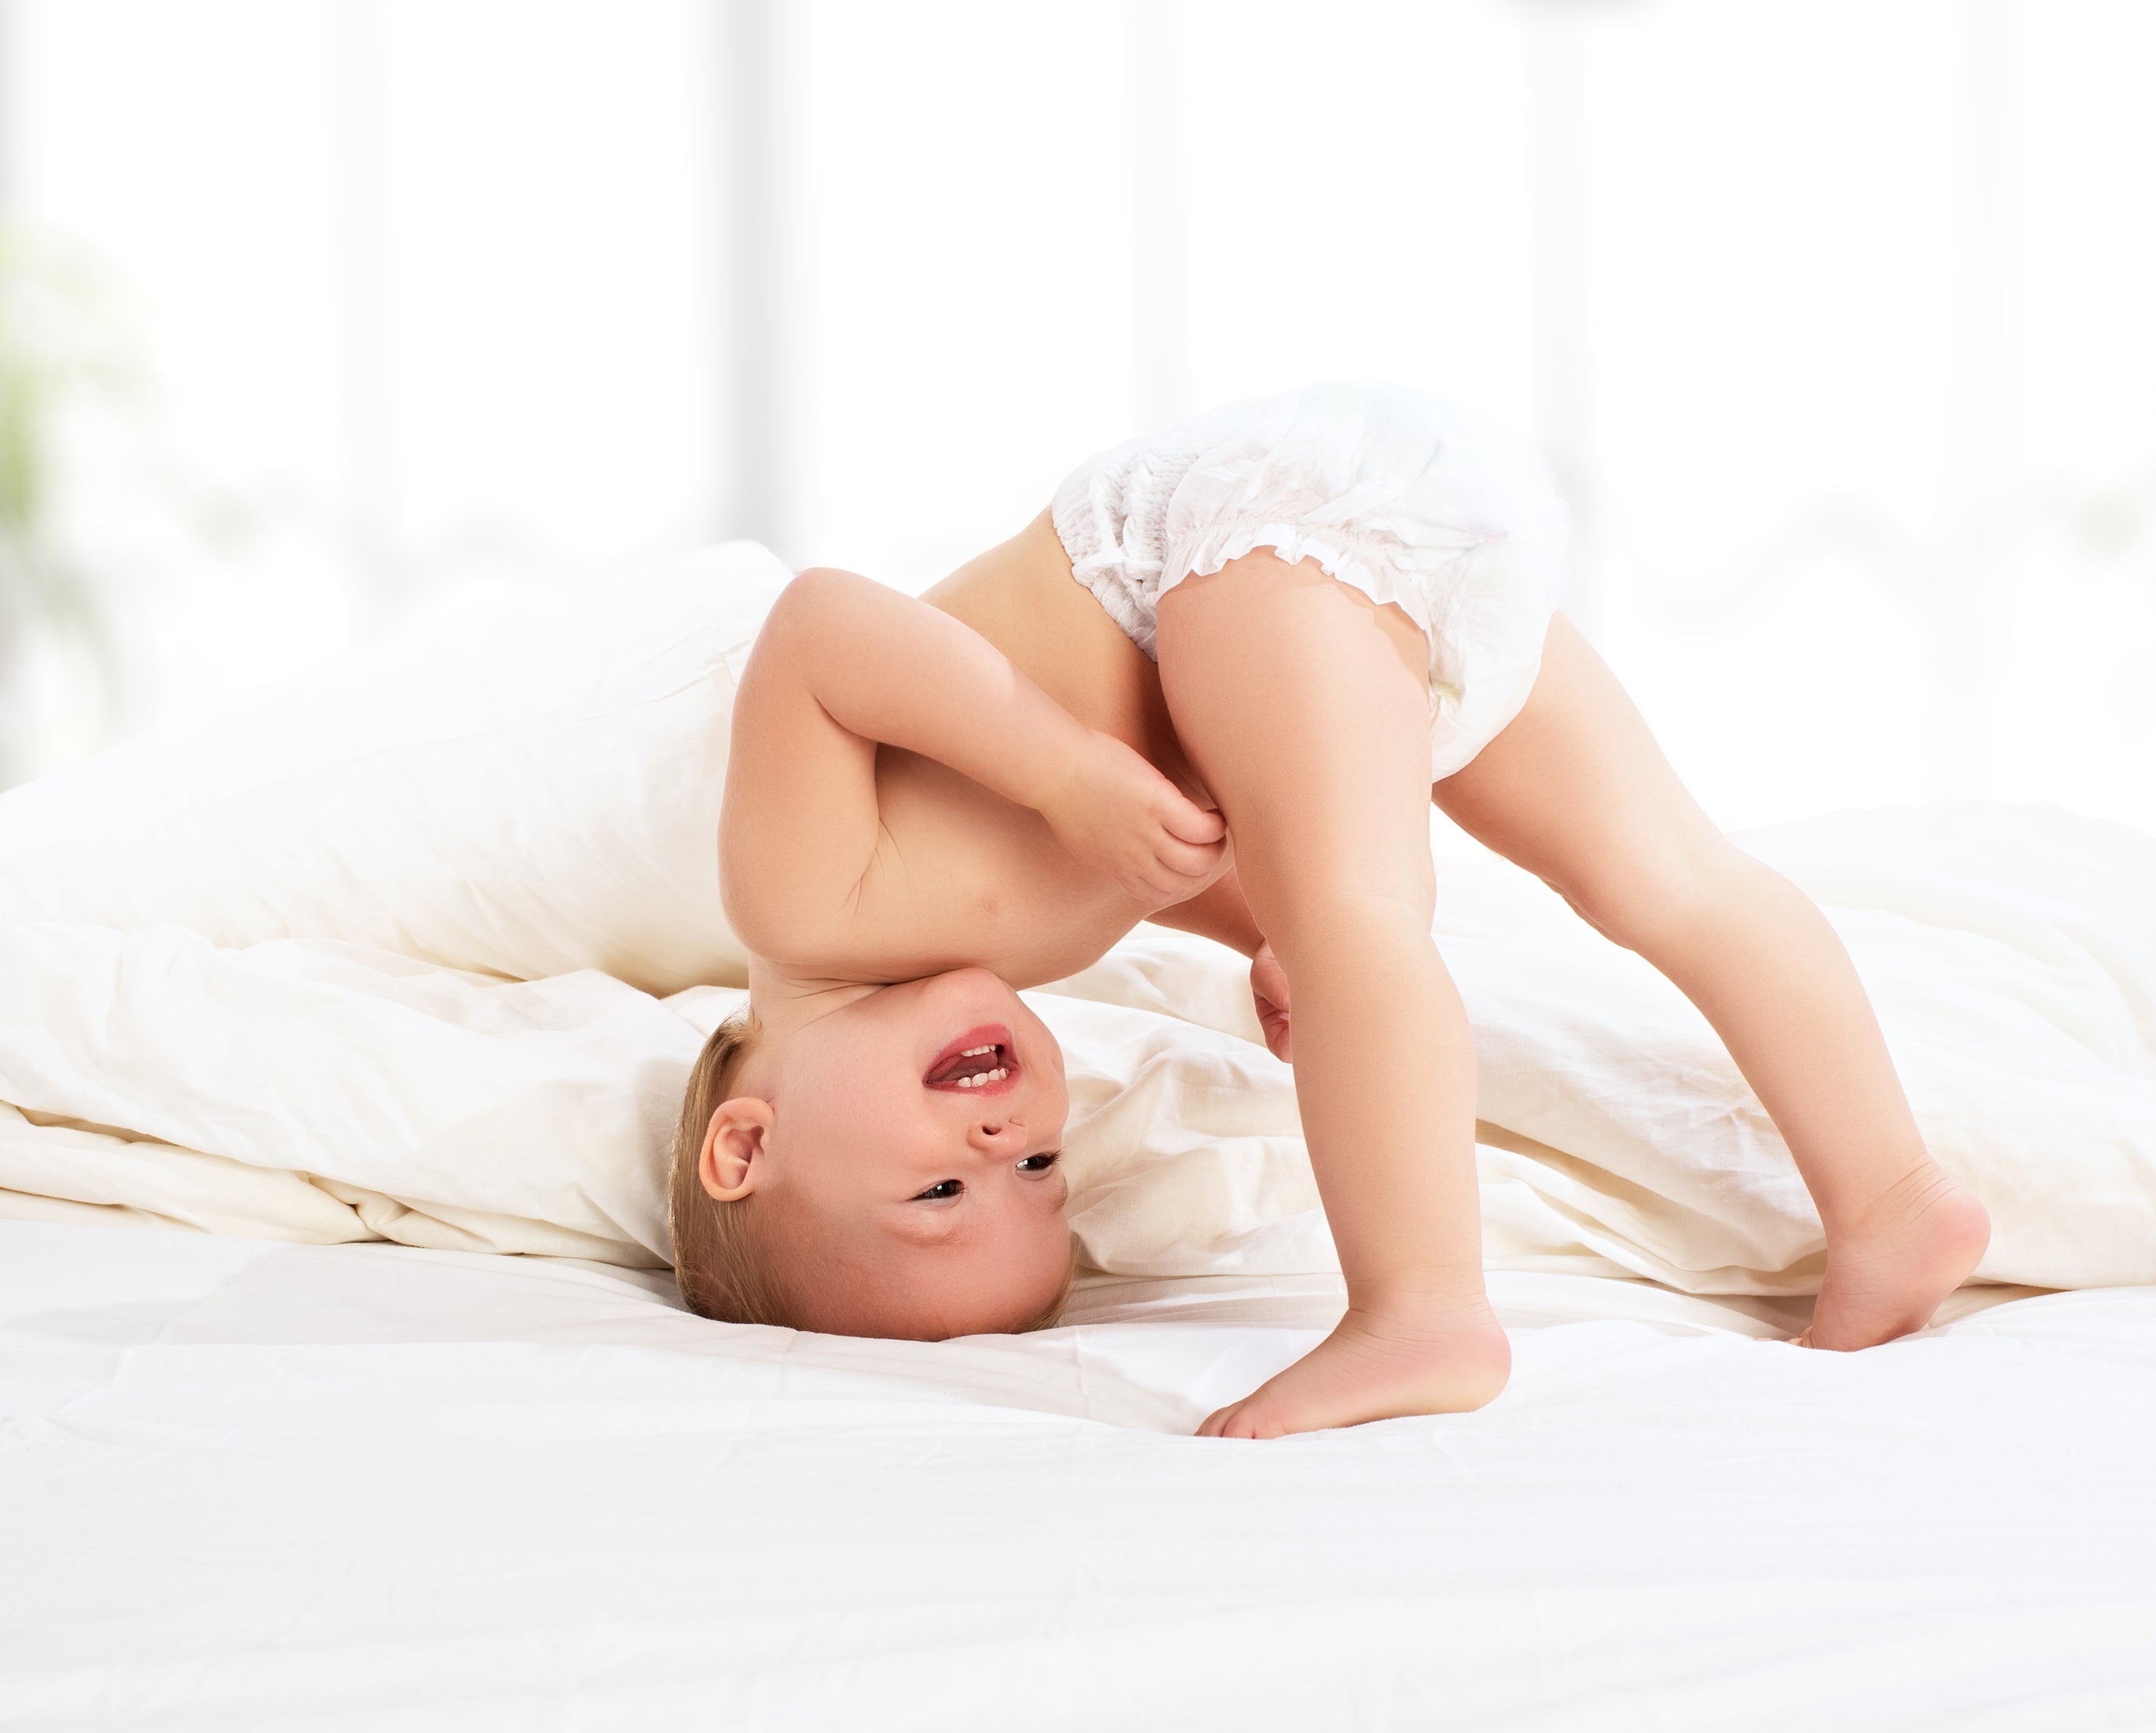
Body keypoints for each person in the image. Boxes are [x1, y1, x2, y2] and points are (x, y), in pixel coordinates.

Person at [669, 384, 1989, 1439]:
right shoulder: (1005, 950)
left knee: (1366, 917)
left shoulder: (799, 908)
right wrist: (1266, 928)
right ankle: (1892, 1194)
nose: (1007, 1133)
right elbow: (1179, 849)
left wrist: (1063, 773)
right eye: (1036, 1174)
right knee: (1664, 874)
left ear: (749, 1144)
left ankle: (1424, 1307)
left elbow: (820, 632)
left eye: (940, 1185)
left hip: (1222, 540)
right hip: (1415, 546)